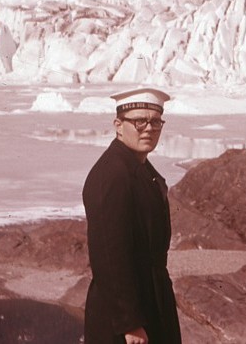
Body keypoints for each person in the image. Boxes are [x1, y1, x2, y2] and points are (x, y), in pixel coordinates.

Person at [82, 86, 182, 344]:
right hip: (124, 320)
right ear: (118, 125)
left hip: (149, 302)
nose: (149, 129)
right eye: (139, 121)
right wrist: (130, 322)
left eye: (155, 122)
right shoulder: (112, 175)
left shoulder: (137, 167)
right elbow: (108, 254)